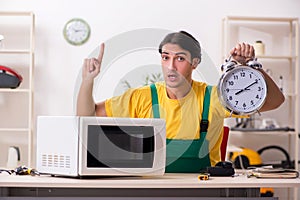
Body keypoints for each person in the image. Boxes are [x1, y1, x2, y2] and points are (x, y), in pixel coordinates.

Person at [77, 31, 284, 172]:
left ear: (195, 63)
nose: (171, 67)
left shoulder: (213, 98)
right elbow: (86, 116)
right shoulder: (141, 97)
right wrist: (87, 80)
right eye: (166, 57)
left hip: (203, 188)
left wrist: (251, 68)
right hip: (153, 188)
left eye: (180, 58)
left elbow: (275, 101)